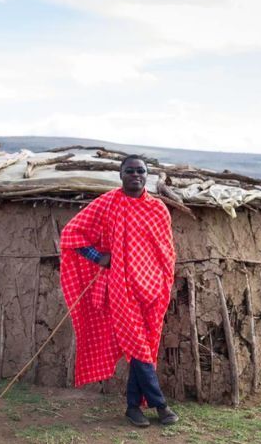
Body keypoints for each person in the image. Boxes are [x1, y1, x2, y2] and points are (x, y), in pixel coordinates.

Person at [59, 155, 179, 427]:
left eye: (141, 171)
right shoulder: (108, 204)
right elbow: (71, 234)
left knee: (146, 348)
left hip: (153, 290)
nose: (136, 175)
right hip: (121, 289)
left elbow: (166, 252)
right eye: (130, 171)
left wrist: (162, 281)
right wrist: (96, 256)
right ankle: (161, 406)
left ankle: (133, 408)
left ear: (147, 175)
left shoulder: (158, 209)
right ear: (120, 174)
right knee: (138, 346)